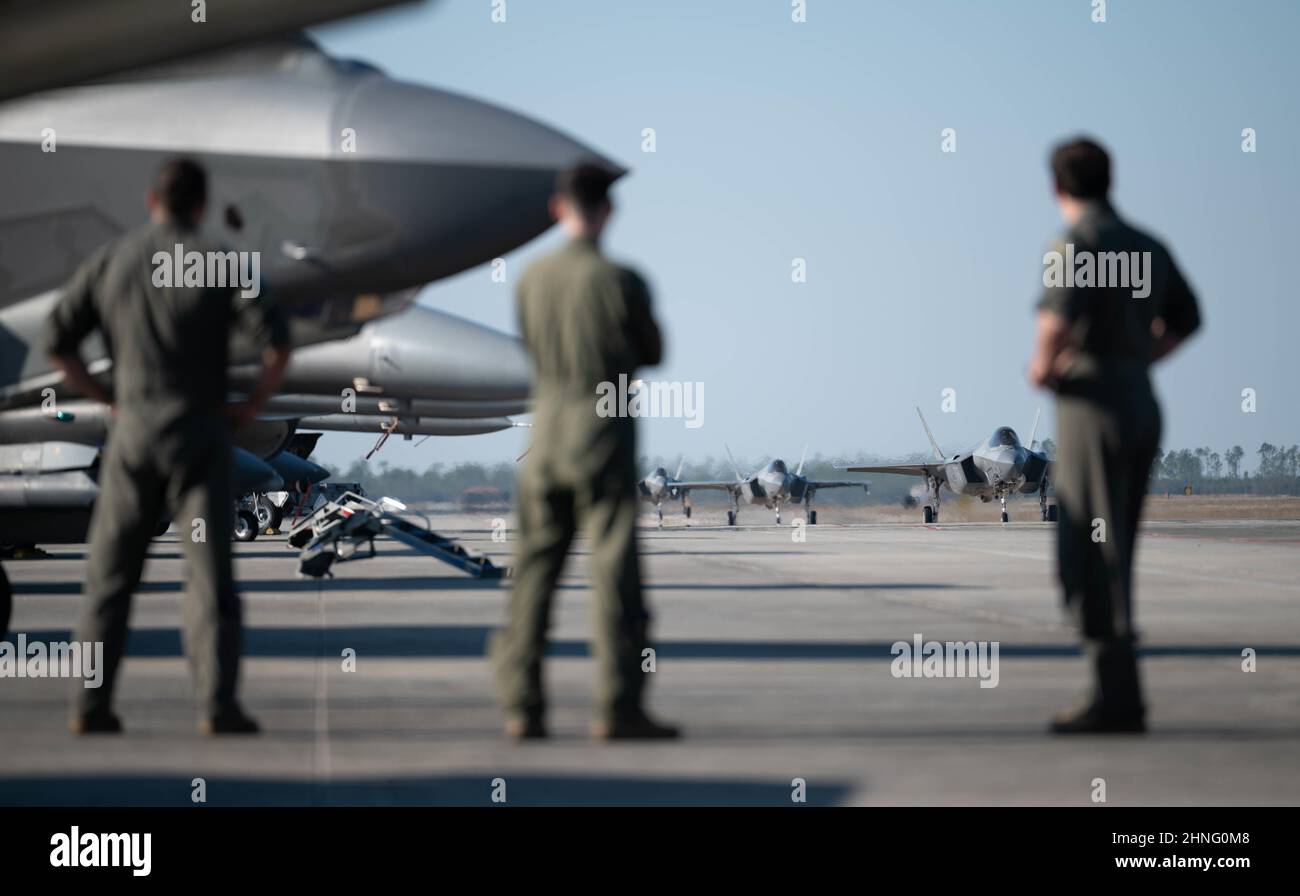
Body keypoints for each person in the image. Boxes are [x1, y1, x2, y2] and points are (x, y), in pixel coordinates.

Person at [45, 157, 291, 735]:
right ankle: (218, 708)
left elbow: (59, 342)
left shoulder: (114, 260)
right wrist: (250, 407)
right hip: (201, 434)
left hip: (132, 435)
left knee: (109, 576)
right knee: (208, 580)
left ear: (152, 200)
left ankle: (91, 706)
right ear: (202, 205)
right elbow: (278, 345)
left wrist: (107, 397)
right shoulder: (225, 260)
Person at [490, 162, 678, 741]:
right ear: (608, 211)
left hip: (544, 439)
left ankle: (523, 706)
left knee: (533, 575)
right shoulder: (622, 280)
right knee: (614, 575)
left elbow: (531, 341)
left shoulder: (530, 279)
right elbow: (653, 351)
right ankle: (618, 708)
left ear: (557, 208)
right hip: (603, 438)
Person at [1028, 137, 1201, 734]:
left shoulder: (1072, 242)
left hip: (1089, 408)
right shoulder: (1149, 245)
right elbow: (1189, 317)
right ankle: (1119, 691)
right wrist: (1139, 357)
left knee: (1082, 550)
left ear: (1057, 187)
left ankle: (1116, 695)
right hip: (1140, 403)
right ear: (1109, 180)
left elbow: (1053, 323)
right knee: (1117, 547)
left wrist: (1043, 368)